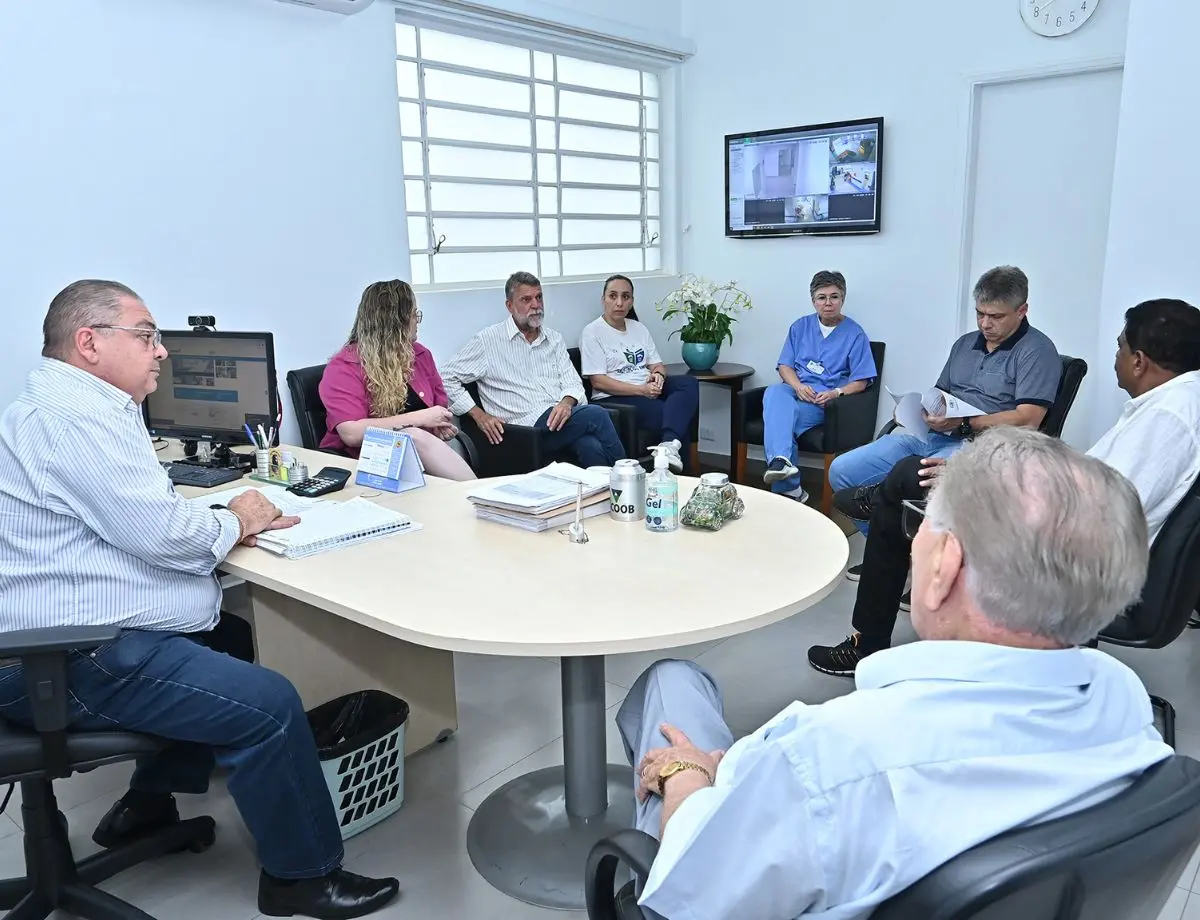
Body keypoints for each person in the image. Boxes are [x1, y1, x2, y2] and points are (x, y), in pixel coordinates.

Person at [616, 427, 1171, 919]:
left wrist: (689, 773)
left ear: (944, 567)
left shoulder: (831, 759)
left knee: (671, 682)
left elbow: (696, 889)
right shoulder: (1123, 701)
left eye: (920, 523)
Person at [0, 280, 399, 920]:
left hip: (59, 635)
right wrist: (237, 515)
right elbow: (162, 538)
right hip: (67, 656)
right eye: (147, 335)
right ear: (89, 343)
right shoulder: (73, 420)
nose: (161, 352)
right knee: (269, 704)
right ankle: (302, 879)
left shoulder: (65, 406)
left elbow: (138, 518)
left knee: (229, 637)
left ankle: (147, 803)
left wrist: (217, 515)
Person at [809, 297, 1200, 677]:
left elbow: (1098, 507)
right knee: (911, 478)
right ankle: (891, 504)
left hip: (1076, 555)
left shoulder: (1168, 418)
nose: (1115, 356)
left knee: (906, 484)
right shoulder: (1175, 403)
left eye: (1119, 346)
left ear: (1139, 361)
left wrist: (988, 482)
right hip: (1072, 527)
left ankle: (867, 643)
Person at [829, 265, 1062, 539]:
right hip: (934, 438)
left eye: (996, 316)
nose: (985, 324)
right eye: (980, 313)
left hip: (987, 450)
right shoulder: (964, 345)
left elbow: (1029, 419)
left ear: (1022, 311)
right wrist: (914, 410)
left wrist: (964, 423)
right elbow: (940, 394)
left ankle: (899, 544)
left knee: (910, 479)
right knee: (842, 470)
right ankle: (889, 551)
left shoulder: (1037, 351)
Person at [441, 271, 626, 468]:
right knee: (597, 415)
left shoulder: (554, 339)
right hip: (523, 431)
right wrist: (479, 415)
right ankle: (630, 478)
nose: (536, 305)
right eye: (526, 299)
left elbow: (572, 382)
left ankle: (609, 497)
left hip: (558, 421)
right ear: (510, 306)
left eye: (539, 297)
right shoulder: (488, 341)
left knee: (590, 445)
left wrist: (566, 402)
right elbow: (445, 377)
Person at [319, 279, 475, 480]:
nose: (417, 321)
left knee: (430, 441)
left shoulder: (420, 356)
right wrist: (420, 419)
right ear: (395, 321)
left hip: (418, 460)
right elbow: (351, 434)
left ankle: (483, 501)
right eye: (413, 315)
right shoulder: (343, 367)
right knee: (413, 436)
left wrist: (438, 426)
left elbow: (439, 409)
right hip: (366, 464)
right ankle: (480, 496)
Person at [761, 270, 876, 501]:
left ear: (842, 299)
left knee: (781, 422)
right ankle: (785, 472)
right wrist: (797, 386)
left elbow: (862, 381)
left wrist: (836, 392)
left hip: (822, 401)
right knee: (774, 391)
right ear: (813, 301)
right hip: (795, 390)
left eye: (834, 297)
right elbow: (785, 366)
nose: (828, 303)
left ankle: (788, 485)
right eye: (822, 297)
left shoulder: (855, 334)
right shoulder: (800, 327)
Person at [579, 274, 699, 471]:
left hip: (645, 387)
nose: (619, 302)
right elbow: (598, 382)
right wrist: (641, 390)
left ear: (632, 301)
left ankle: (669, 446)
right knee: (676, 419)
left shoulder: (638, 328)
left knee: (689, 383)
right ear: (603, 300)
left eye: (625, 297)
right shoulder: (592, 332)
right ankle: (681, 479)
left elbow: (658, 365)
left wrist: (658, 376)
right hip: (615, 397)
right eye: (613, 296)